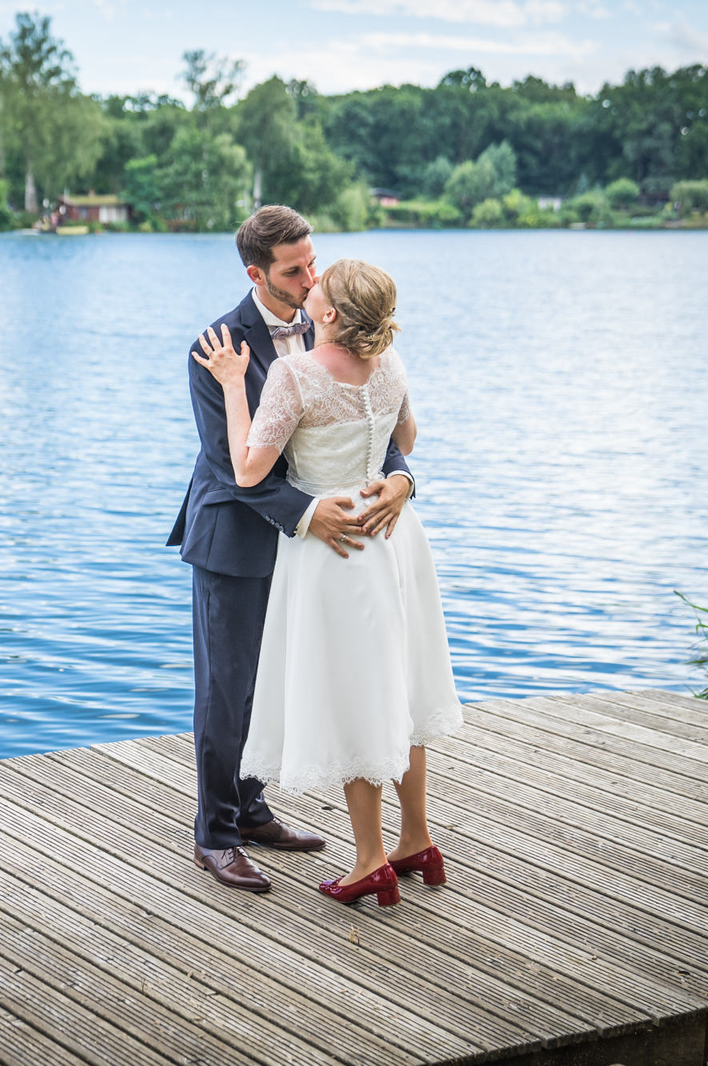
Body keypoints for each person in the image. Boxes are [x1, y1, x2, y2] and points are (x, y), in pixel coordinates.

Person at [193, 257, 464, 907]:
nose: (310, 283)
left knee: (356, 701)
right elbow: (409, 436)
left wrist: (233, 384)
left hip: (337, 549)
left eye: (320, 282)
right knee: (399, 694)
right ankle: (416, 838)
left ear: (331, 314)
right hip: (395, 540)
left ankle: (370, 859)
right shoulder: (391, 363)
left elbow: (250, 470)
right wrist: (395, 479)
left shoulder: (294, 375)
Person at [167, 206, 416, 893]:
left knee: (271, 679)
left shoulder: (333, 319)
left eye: (313, 263)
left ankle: (251, 811)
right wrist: (307, 512)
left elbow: (375, 421)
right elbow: (229, 464)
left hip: (311, 545)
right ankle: (214, 835)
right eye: (294, 270)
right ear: (256, 273)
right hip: (235, 540)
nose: (311, 277)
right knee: (226, 691)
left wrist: (402, 478)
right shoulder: (216, 344)